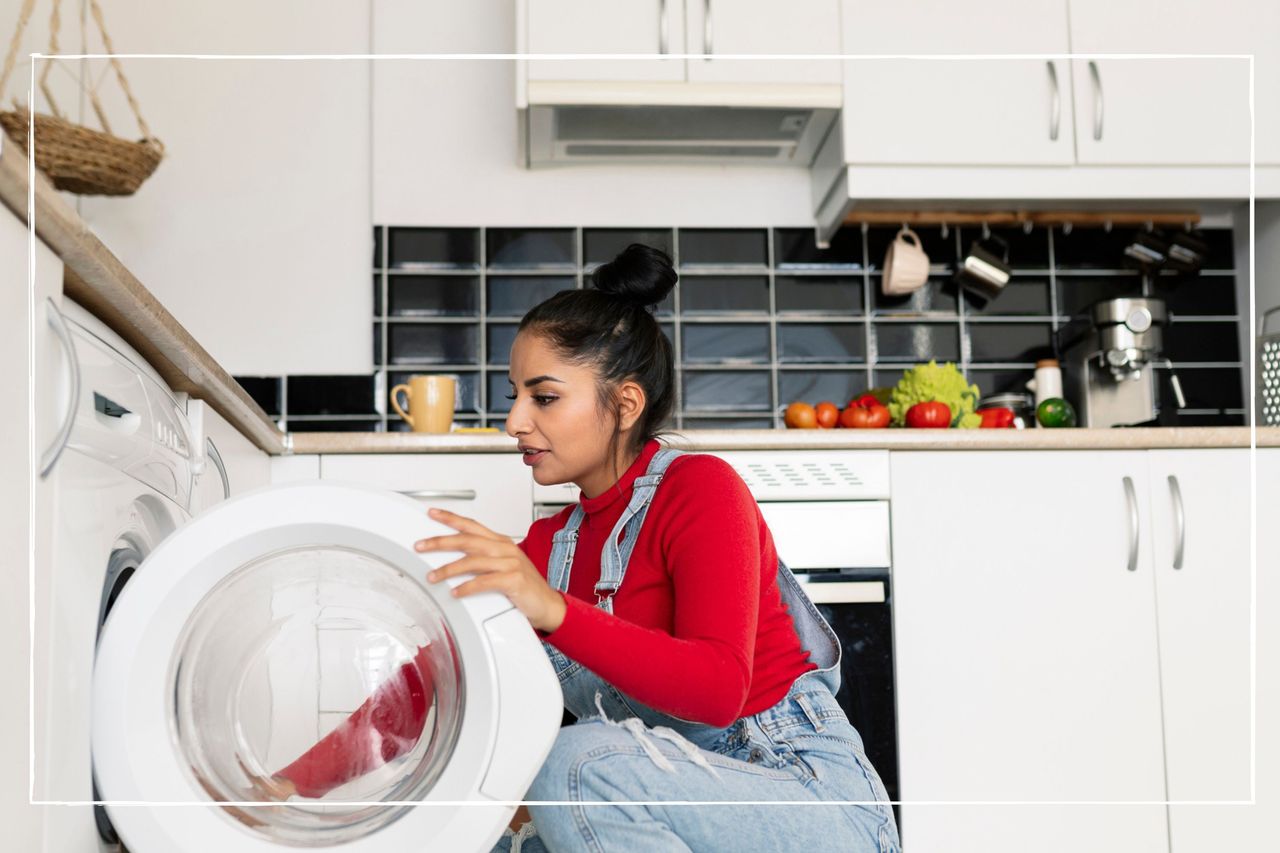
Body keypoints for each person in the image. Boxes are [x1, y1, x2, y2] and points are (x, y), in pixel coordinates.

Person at [258, 243, 899, 852]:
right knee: (508, 825)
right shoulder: (546, 549)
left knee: (570, 766)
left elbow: (718, 689)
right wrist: (288, 786)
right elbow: (430, 684)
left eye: (544, 397)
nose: (514, 421)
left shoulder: (700, 489)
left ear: (624, 404)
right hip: (672, 800)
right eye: (517, 398)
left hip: (806, 799)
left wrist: (552, 611)